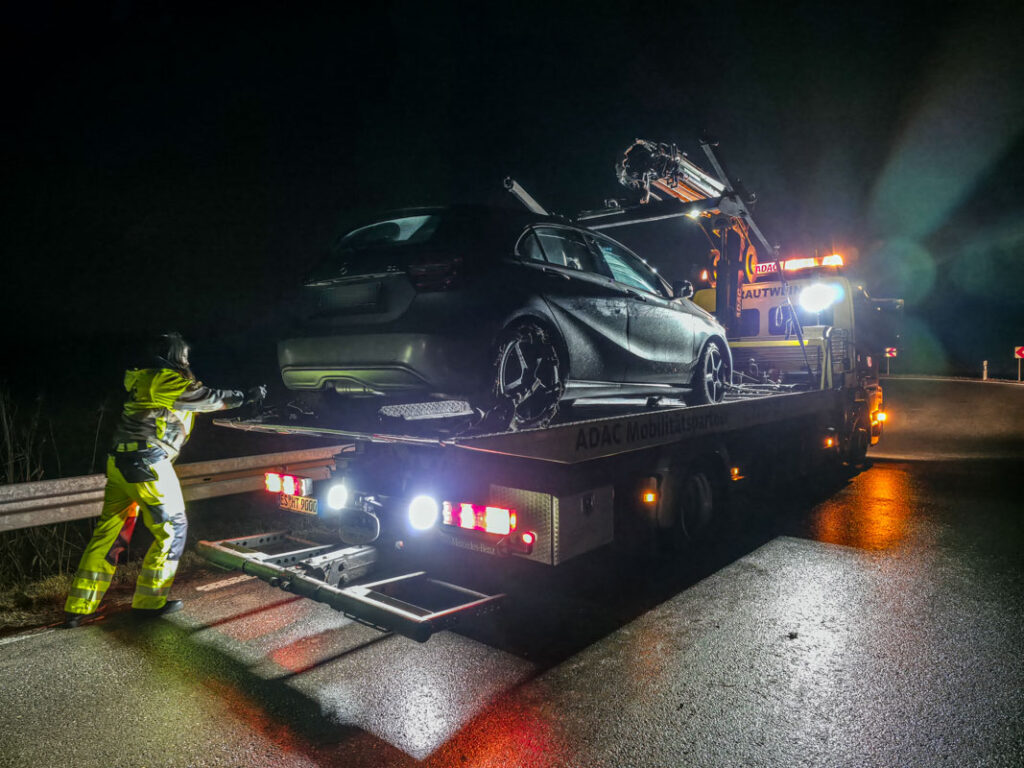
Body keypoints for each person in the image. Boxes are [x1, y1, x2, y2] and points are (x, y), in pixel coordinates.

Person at [63, 332, 266, 628]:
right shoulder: (163, 378)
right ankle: (149, 602)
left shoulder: (145, 379)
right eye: (184, 356)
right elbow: (206, 398)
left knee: (109, 534)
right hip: (147, 464)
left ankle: (78, 607)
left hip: (121, 462)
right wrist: (245, 396)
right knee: (173, 528)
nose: (187, 361)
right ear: (174, 356)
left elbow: (186, 406)